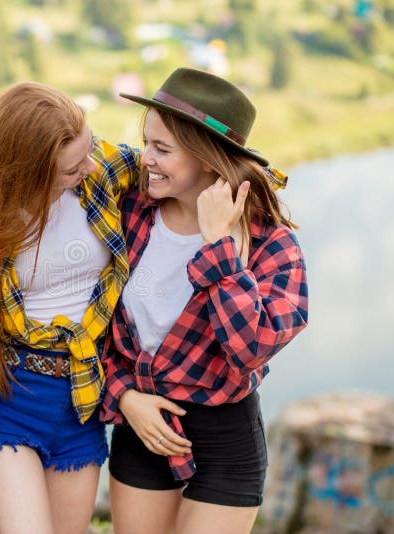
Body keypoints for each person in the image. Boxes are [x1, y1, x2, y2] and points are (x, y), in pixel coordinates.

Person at [100, 67, 309, 534]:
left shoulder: (271, 245)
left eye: (161, 149)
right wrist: (124, 396)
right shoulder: (130, 211)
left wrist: (218, 248)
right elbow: (90, 324)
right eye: (146, 142)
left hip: (224, 444)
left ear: (208, 159)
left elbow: (249, 349)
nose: (144, 158)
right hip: (141, 429)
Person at [0, 82, 141, 533]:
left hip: (82, 404)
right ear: (26, 172)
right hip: (13, 404)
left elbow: (172, 164)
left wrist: (247, 181)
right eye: (70, 168)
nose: (88, 166)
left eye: (88, 149)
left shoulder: (97, 170)